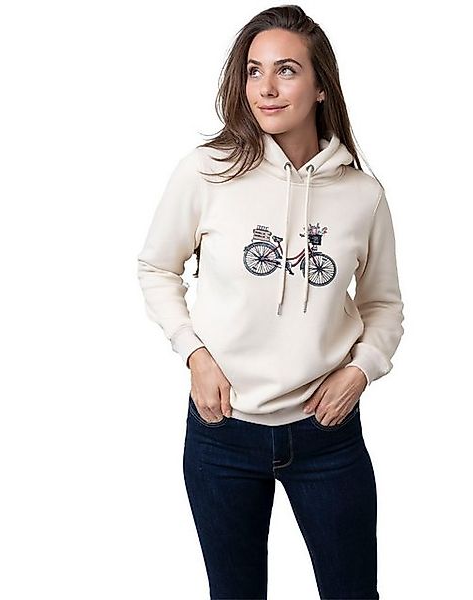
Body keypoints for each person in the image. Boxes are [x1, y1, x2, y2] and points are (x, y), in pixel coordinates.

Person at [136, 5, 404, 599]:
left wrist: (362, 369)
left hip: (326, 434)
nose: (266, 88)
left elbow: (384, 304)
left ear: (321, 87)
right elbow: (156, 267)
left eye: (286, 70)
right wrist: (193, 353)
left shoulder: (362, 195)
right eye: (254, 70)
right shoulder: (207, 172)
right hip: (222, 430)